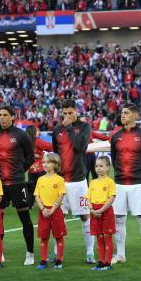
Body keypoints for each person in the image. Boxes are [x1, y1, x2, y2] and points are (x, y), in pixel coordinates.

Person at [0, 105, 35, 265]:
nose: (2, 117)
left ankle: (30, 253)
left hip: (17, 183)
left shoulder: (21, 135)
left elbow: (30, 157)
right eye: (0, 114)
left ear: (13, 117)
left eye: (5, 115)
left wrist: (20, 171)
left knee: (25, 219)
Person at [110, 104, 141, 265]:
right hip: (120, 184)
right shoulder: (116, 136)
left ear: (135, 115)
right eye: (122, 113)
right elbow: (114, 158)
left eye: (126, 113)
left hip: (138, 184)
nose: (122, 115)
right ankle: (120, 254)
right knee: (118, 220)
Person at [52, 99, 95, 264]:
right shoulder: (57, 129)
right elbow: (56, 154)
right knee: (58, 216)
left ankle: (90, 252)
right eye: (65, 113)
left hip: (78, 180)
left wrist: (70, 128)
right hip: (61, 180)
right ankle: (56, 253)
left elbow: (80, 147)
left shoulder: (85, 127)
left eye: (71, 113)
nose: (68, 116)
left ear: (76, 111)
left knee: (84, 215)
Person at [34, 153, 67, 270]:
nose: (45, 164)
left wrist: (52, 209)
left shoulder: (60, 180)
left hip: (56, 212)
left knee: (58, 236)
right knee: (43, 237)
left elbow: (61, 196)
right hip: (43, 212)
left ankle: (59, 260)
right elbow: (37, 196)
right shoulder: (40, 180)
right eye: (43, 162)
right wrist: (43, 209)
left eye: (48, 162)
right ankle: (43, 260)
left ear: (56, 164)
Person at [87, 156, 117, 271]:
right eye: (96, 166)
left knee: (107, 237)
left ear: (108, 167)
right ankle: (100, 262)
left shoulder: (110, 182)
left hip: (106, 211)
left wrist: (100, 210)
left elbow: (111, 199)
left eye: (101, 166)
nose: (98, 168)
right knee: (98, 237)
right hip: (94, 212)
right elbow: (88, 198)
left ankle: (108, 263)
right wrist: (91, 210)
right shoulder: (92, 182)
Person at [26, 125, 53, 210]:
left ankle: (30, 205)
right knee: (43, 187)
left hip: (30, 169)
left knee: (32, 188)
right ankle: (45, 204)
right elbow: (50, 147)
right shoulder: (38, 141)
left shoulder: (25, 142)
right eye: (37, 131)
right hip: (40, 169)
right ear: (34, 132)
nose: (38, 132)